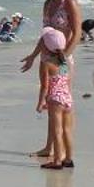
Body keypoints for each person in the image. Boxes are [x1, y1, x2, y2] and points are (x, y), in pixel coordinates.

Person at [20, 0, 80, 157]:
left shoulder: (70, 2)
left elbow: (77, 33)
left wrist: (64, 56)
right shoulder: (47, 4)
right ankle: (49, 147)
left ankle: (63, 152)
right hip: (47, 58)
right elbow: (46, 34)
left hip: (63, 59)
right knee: (50, 103)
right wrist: (33, 55)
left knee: (61, 105)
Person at [36, 27, 76, 169]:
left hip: (55, 100)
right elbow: (69, 81)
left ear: (46, 47)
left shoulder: (47, 64)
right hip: (67, 98)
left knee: (57, 130)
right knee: (67, 130)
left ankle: (57, 160)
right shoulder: (66, 62)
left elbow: (44, 87)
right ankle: (69, 159)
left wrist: (40, 102)